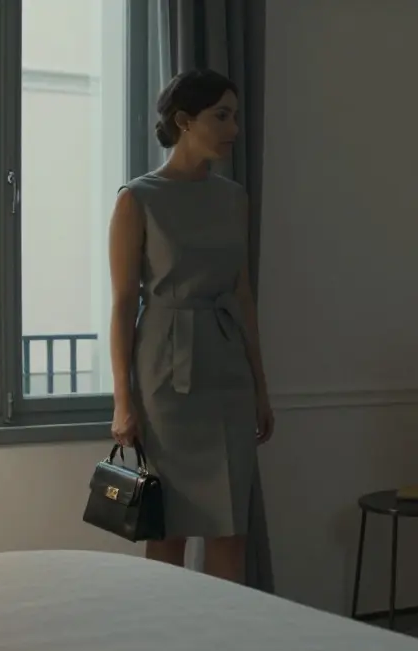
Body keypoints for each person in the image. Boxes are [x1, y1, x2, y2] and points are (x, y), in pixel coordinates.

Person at [107, 68, 274, 583]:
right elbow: (121, 303)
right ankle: (168, 643)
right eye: (221, 116)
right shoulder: (138, 197)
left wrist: (261, 390)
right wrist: (122, 400)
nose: (233, 129)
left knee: (231, 526)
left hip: (227, 372)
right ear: (184, 121)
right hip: (166, 372)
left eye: (235, 117)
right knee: (169, 524)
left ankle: (229, 643)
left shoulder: (233, 198)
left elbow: (243, 296)